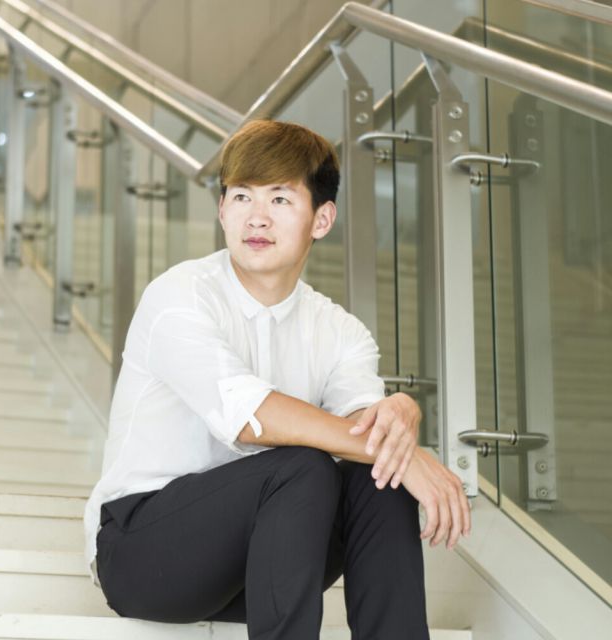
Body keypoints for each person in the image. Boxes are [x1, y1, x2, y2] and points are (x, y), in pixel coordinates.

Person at [84, 119, 471, 640]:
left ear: (322, 218)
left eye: (281, 199)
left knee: (381, 474)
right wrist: (405, 451)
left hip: (262, 564)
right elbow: (251, 419)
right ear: (222, 210)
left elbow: (367, 428)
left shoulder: (340, 331)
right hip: (143, 553)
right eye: (242, 196)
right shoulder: (179, 296)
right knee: (308, 466)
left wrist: (401, 416)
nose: (257, 217)